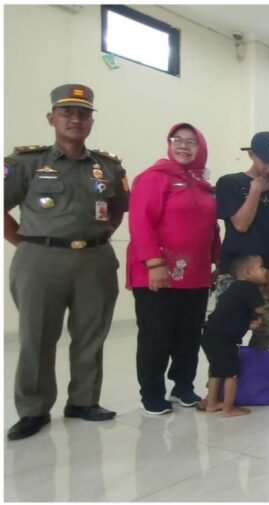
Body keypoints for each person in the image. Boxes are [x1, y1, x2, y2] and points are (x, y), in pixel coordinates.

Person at [5, 84, 130, 441]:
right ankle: (33, 410)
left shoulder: (107, 166)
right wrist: (28, 243)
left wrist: (99, 235)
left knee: (91, 334)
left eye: (83, 113)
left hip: (94, 258)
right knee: (37, 337)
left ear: (91, 120)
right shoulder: (26, 163)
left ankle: (83, 401)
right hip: (40, 260)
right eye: (67, 113)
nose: (76, 119)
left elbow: (119, 210)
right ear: (52, 118)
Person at [127, 122, 220, 416]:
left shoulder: (203, 185)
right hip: (158, 273)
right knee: (156, 335)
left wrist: (217, 261)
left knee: (189, 334)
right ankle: (152, 393)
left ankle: (183, 385)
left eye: (191, 141)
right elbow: (140, 221)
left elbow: (211, 228)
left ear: (201, 147)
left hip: (196, 274)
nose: (183, 145)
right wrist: (154, 263)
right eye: (177, 140)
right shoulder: (154, 178)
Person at [213, 131, 269, 399]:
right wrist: (255, 190)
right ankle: (219, 386)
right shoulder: (229, 183)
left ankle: (258, 380)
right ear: (251, 154)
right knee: (227, 331)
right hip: (234, 276)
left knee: (266, 328)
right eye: (266, 161)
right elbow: (240, 224)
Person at [200, 254, 267, 418]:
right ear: (248, 273)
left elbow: (232, 314)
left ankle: (212, 403)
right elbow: (260, 310)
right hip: (224, 339)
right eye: (261, 267)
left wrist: (247, 323)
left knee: (217, 371)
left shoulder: (234, 288)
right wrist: (257, 318)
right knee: (232, 373)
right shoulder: (250, 288)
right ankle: (229, 409)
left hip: (210, 333)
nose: (266, 270)